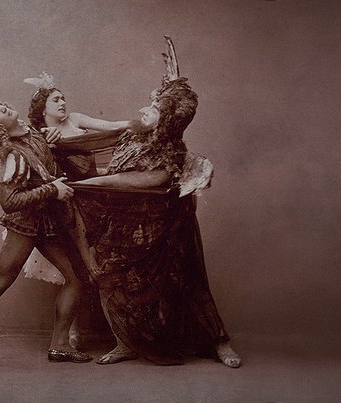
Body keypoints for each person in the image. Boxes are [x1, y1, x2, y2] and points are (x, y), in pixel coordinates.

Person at [72, 74, 241, 368]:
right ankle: (125, 343)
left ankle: (219, 342)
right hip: (121, 224)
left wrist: (82, 185)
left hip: (161, 230)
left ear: (167, 122)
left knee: (186, 281)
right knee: (109, 279)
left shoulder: (170, 155)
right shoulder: (132, 136)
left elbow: (125, 181)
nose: (143, 110)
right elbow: (97, 150)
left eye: (153, 108)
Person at [0, 100, 92, 373]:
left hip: (49, 221)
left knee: (76, 279)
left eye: (0, 104)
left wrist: (51, 138)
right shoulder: (11, 156)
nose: (3, 107)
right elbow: (10, 202)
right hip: (25, 225)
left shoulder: (32, 133)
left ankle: (59, 344)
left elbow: (43, 160)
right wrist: (52, 190)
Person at [20, 73, 131, 348]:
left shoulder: (76, 119)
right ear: (42, 109)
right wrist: (48, 144)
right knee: (77, 267)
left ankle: (124, 334)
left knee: (102, 260)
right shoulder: (39, 136)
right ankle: (73, 330)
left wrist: (140, 125)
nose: (62, 103)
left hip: (96, 196)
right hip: (66, 203)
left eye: (63, 98)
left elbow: (110, 127)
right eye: (56, 100)